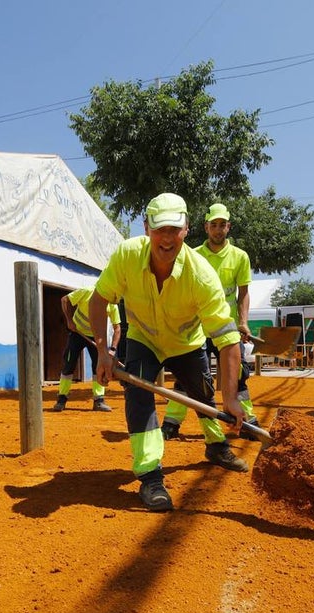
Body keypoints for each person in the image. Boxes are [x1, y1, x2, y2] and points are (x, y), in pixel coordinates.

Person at [89, 193, 249, 512]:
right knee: (138, 395)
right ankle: (150, 476)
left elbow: (228, 339)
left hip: (187, 342)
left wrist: (231, 396)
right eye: (159, 229)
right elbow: (98, 300)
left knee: (204, 395)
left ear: (186, 229)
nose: (166, 238)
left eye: (173, 229)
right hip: (143, 338)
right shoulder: (126, 256)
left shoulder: (201, 275)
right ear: (147, 228)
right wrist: (104, 351)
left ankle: (216, 446)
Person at [161, 202, 261, 440]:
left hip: (228, 328)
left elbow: (243, 293)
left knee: (237, 375)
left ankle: (247, 422)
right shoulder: (192, 255)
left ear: (229, 227)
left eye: (222, 225)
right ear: (206, 227)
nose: (218, 229)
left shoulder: (240, 257)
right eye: (213, 225)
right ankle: (172, 422)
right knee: (187, 375)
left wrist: (244, 322)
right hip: (197, 328)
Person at [52, 286, 122, 412]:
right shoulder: (87, 292)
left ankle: (99, 401)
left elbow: (117, 328)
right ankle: (61, 399)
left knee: (99, 367)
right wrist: (69, 321)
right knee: (68, 365)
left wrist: (112, 349)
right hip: (77, 333)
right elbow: (64, 300)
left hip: (97, 337)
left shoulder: (112, 305)